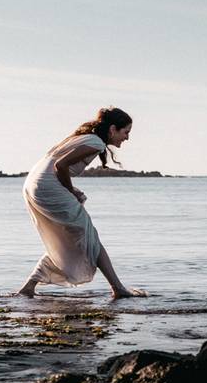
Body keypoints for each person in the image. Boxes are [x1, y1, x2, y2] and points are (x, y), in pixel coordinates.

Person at [18, 107, 144, 299]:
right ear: (112, 129)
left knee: (68, 239)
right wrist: (69, 190)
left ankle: (28, 287)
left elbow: (57, 166)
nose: (127, 138)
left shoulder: (86, 138)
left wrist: (70, 190)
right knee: (90, 237)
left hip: (33, 185)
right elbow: (60, 165)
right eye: (125, 132)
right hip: (46, 187)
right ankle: (118, 289)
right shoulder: (96, 143)